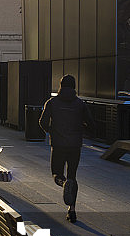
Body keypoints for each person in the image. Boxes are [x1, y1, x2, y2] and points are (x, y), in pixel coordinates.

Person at [39, 75, 94, 223]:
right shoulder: (80, 104)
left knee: (56, 173)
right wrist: (81, 129)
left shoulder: (52, 102)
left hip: (58, 144)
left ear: (61, 86)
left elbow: (42, 122)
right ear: (74, 86)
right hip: (75, 145)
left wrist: (52, 132)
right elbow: (91, 123)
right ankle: (72, 210)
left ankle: (63, 184)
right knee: (72, 175)